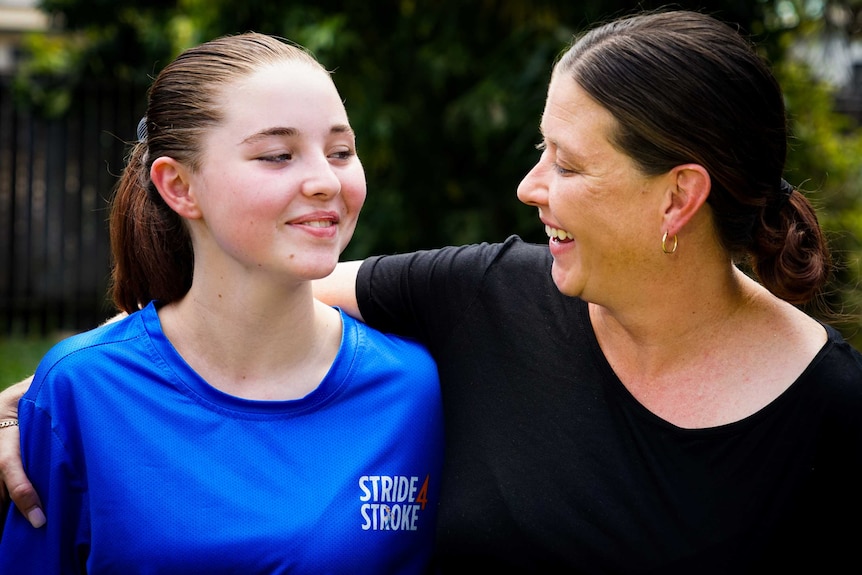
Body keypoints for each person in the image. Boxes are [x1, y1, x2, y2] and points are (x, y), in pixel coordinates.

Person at [3, 8, 862, 573]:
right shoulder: (488, 296)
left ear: (679, 195)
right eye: (539, 149)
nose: (529, 187)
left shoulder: (832, 409)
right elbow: (240, 296)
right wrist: (43, 400)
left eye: (565, 163)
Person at [0, 32, 444, 573]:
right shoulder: (79, 390)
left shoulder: (415, 386)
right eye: (278, 155)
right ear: (180, 186)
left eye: (341, 152)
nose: (326, 181)